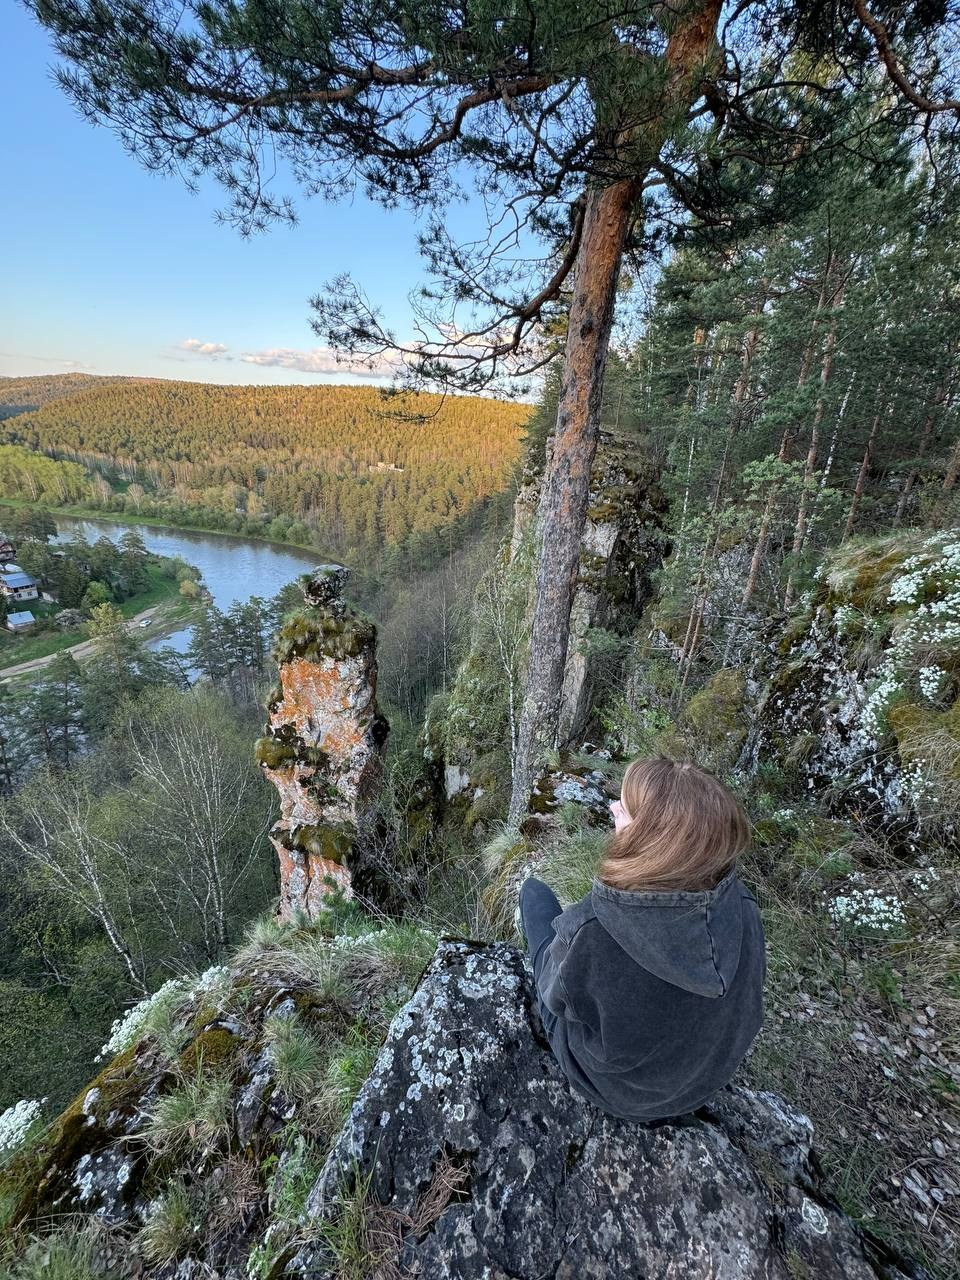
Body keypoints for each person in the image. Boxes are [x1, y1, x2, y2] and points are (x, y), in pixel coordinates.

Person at [518, 756, 765, 1123]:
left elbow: (558, 997)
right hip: (702, 1080)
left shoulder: (595, 930)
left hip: (619, 1093)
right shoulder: (742, 906)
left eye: (626, 809)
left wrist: (569, 943)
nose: (613, 807)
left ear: (653, 839)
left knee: (534, 895)